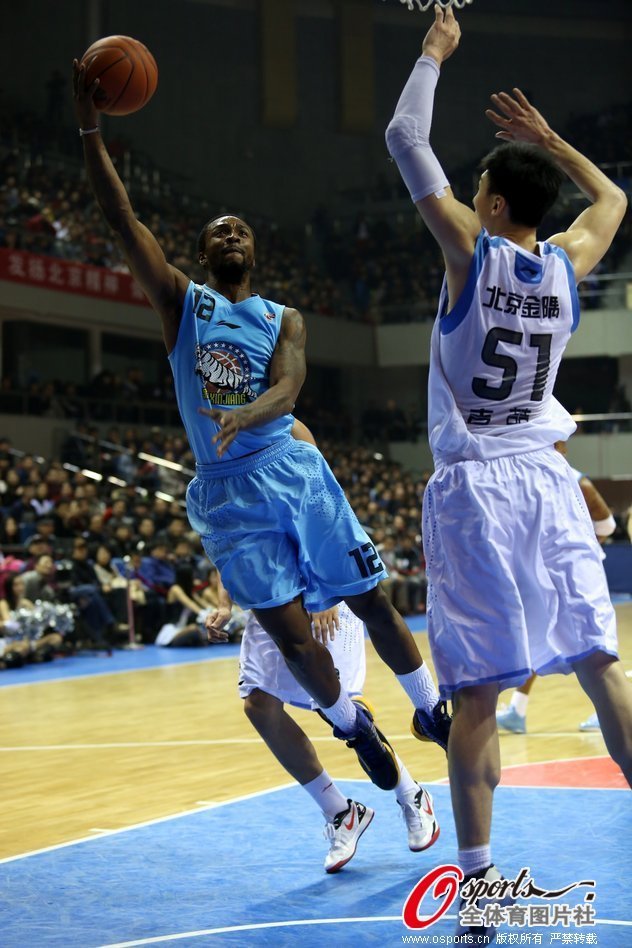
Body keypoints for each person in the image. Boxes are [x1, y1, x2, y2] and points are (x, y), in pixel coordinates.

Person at [72, 60, 450, 793]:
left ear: (254, 251)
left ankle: (431, 709)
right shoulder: (182, 302)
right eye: (219, 229)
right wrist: (90, 127)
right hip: (226, 493)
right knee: (291, 638)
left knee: (370, 597)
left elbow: (292, 385)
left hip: (289, 466)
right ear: (206, 253)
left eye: (241, 228)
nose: (232, 232)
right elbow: (121, 218)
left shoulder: (285, 316)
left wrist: (246, 412)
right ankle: (355, 729)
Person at [385, 4, 631, 940]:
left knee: (478, 695)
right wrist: (552, 141)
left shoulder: (466, 254)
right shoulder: (569, 265)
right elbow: (611, 202)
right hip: (547, 481)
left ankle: (480, 896)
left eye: (482, 180)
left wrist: (434, 52)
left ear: (489, 205)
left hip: (476, 490)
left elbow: (406, 134)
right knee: (605, 670)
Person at [209, 599, 439, 873]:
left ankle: (411, 794)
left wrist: (323, 594)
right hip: (268, 602)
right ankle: (341, 812)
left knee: (337, 707)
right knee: (259, 706)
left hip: (319, 590)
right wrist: (224, 605)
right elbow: (225, 556)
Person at [497, 442, 617, 734]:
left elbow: (607, 525)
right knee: (538, 639)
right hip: (540, 575)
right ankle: (517, 710)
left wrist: (580, 552)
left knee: (592, 643)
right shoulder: (525, 477)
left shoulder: (576, 479)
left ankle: (609, 710)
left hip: (573, 573)